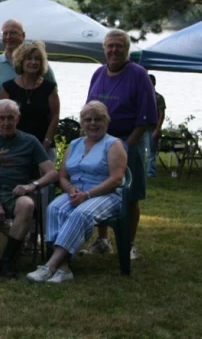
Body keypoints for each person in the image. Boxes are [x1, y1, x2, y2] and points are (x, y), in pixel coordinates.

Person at [27, 101, 127, 283]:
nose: (93, 124)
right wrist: (71, 189)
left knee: (81, 214)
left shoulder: (113, 145)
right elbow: (62, 175)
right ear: (82, 123)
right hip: (76, 192)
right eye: (88, 120)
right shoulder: (74, 144)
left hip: (106, 194)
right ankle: (64, 268)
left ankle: (50, 265)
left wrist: (87, 195)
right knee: (54, 208)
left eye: (98, 119)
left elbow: (116, 179)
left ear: (107, 121)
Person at [85, 29, 157, 260]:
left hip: (129, 141)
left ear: (127, 49)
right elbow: (89, 110)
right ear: (104, 49)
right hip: (99, 142)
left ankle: (129, 242)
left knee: (130, 193)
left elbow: (146, 117)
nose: (114, 50)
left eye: (119, 46)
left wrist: (126, 146)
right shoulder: (98, 74)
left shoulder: (138, 74)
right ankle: (103, 239)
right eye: (110, 46)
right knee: (99, 189)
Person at [0, 99, 59, 279]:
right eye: (2, 118)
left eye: (11, 117)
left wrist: (31, 185)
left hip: (16, 192)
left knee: (27, 205)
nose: (6, 122)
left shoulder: (30, 141)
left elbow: (51, 173)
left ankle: (7, 259)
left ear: (18, 119)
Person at [0, 41, 60, 161]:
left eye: (37, 59)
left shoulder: (50, 88)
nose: (33, 62)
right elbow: (1, 118)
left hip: (44, 146)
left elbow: (55, 117)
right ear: (21, 61)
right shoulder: (8, 88)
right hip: (14, 147)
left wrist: (46, 143)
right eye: (29, 59)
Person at [0, 19, 56, 102]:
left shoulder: (38, 65)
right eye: (5, 33)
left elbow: (53, 94)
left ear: (23, 35)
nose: (8, 37)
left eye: (13, 33)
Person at [146, 74, 166, 178]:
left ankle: (151, 173)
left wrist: (157, 129)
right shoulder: (142, 96)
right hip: (141, 128)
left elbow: (161, 115)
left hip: (152, 129)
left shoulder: (158, 97)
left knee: (151, 153)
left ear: (153, 83)